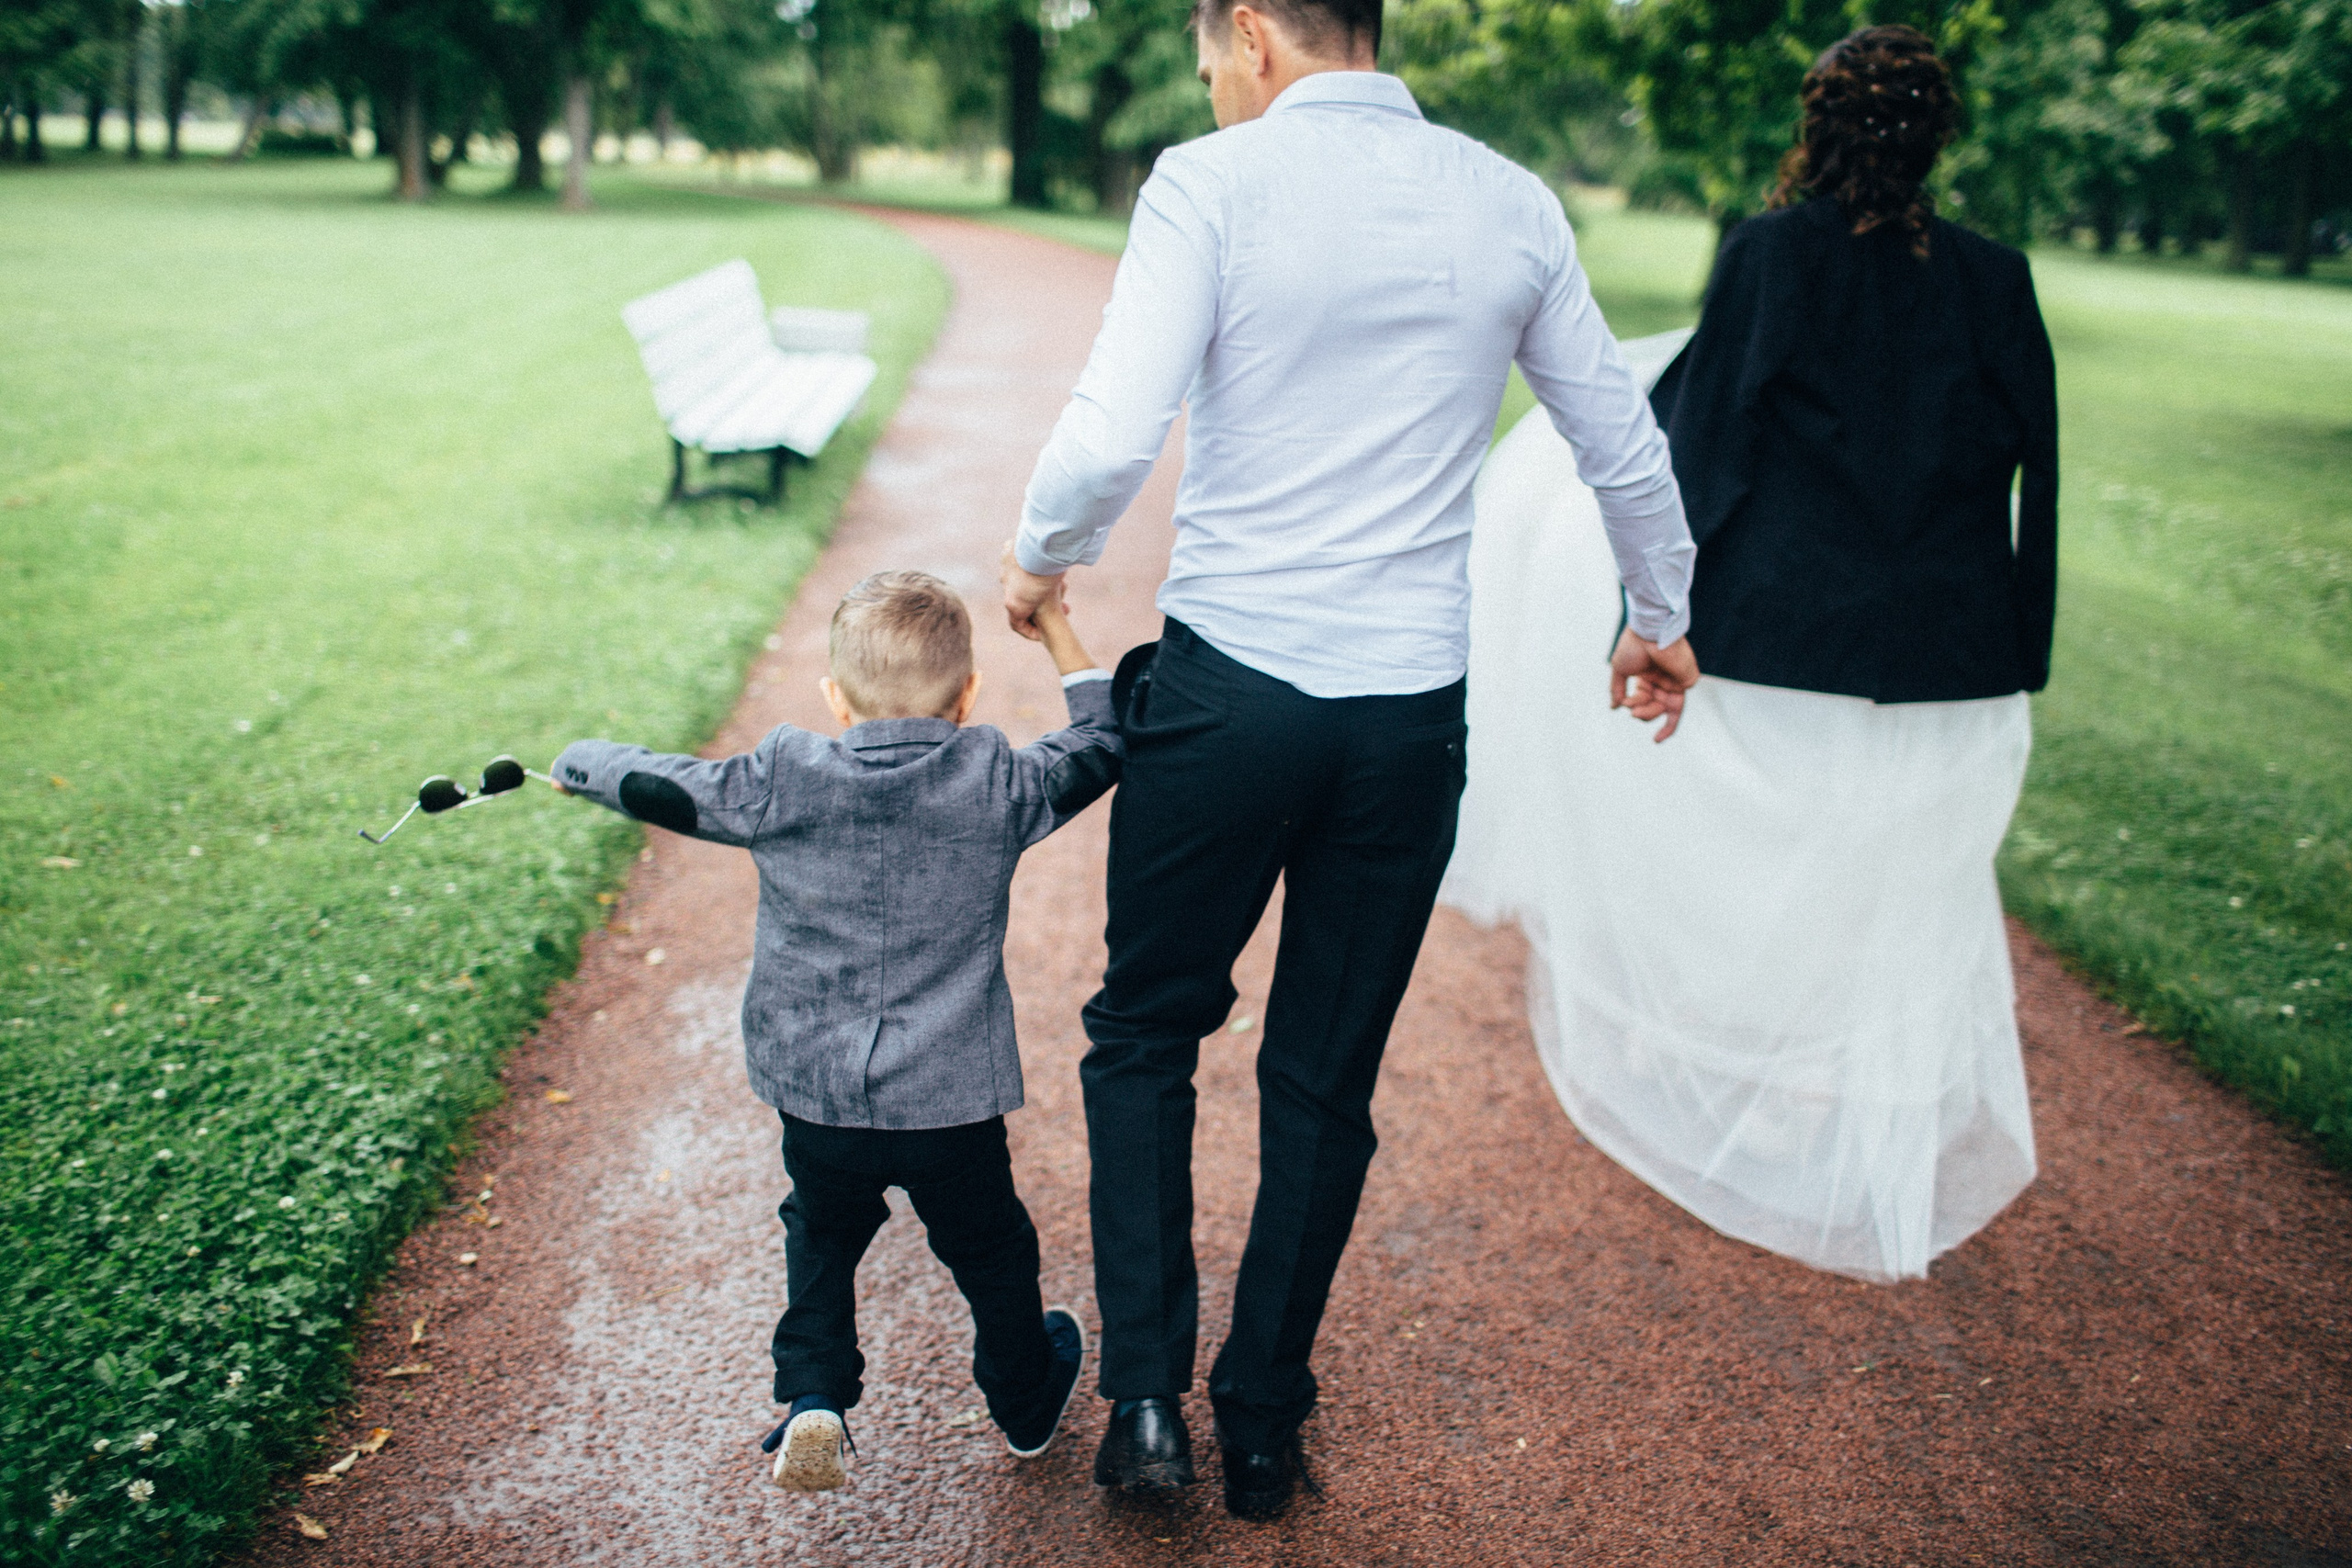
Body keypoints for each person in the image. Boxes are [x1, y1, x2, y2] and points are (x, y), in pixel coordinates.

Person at [1000, 0, 1699, 1519]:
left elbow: (1113, 432)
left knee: (1145, 1031)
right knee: (1325, 1075)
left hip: (1227, 697)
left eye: (1207, 56)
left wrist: (1042, 554)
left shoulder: (1210, 182)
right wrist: (1661, 616)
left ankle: (1144, 1400)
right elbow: (1622, 444)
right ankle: (1260, 1416)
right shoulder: (1510, 201)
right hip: (1405, 722)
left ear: (1252, 31)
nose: (1209, 84)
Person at [1444, 25, 2057, 1284]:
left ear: (1814, 128)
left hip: (1780, 632)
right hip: (1948, 647)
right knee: (1883, 870)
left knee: (1760, 862)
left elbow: (1705, 446)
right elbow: (2037, 467)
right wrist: (2020, 640)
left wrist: (1649, 616)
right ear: (1939, 137)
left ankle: (1754, 1077)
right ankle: (1831, 1088)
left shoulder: (1772, 254)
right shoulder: (1996, 277)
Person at [548, 571, 1125, 1491]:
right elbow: (1102, 738)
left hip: (818, 1096)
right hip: (949, 1103)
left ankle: (814, 1392)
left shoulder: (782, 778)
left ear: (835, 699)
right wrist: (1053, 623)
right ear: (968, 696)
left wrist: (577, 763)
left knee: (820, 1232)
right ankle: (1023, 1399)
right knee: (991, 1249)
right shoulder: (1000, 783)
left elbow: (664, 785)